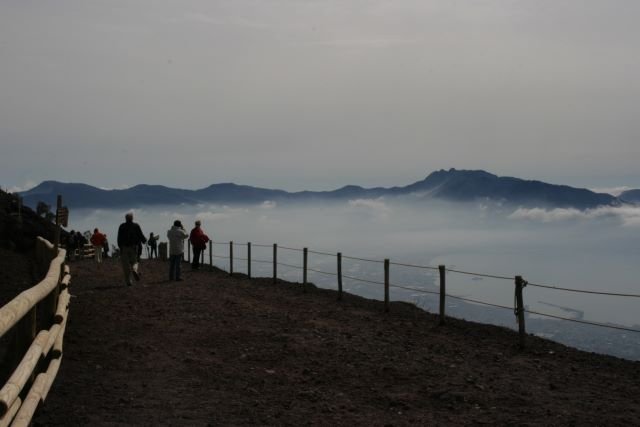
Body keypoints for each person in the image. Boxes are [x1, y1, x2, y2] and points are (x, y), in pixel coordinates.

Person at [117, 212, 147, 287]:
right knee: (135, 262)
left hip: (124, 247)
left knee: (125, 265)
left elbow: (119, 237)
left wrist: (120, 246)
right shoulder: (136, 226)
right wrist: (144, 241)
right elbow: (140, 235)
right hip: (133, 247)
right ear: (132, 218)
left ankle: (129, 281)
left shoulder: (122, 226)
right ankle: (134, 270)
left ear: (125, 219)